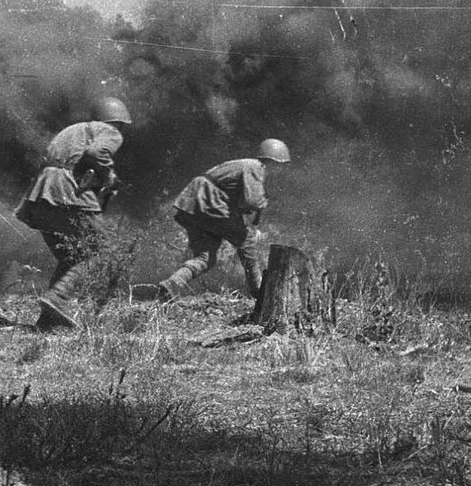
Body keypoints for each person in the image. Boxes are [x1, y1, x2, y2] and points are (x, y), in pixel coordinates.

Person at [15, 97, 131, 331]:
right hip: (67, 192)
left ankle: (48, 320)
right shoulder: (110, 131)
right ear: (117, 122)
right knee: (103, 251)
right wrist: (108, 175)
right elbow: (97, 153)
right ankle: (57, 298)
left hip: (42, 195)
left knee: (72, 257)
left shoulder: (72, 130)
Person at [157, 138, 291, 300]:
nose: (280, 170)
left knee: (205, 257)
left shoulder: (246, 165)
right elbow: (252, 200)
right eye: (280, 165)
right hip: (209, 200)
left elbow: (240, 201)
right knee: (246, 240)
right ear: (272, 161)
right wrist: (263, 202)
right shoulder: (255, 167)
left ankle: (172, 284)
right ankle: (259, 293)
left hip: (194, 203)